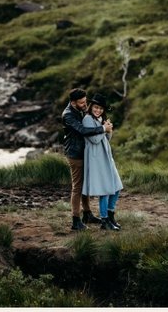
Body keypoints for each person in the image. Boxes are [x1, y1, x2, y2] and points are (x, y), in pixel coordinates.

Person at [61, 88, 112, 231]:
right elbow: (83, 131)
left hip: (84, 153)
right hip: (75, 154)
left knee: (85, 185)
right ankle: (75, 221)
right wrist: (103, 128)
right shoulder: (68, 115)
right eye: (82, 102)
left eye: (85, 101)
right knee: (77, 187)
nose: (85, 104)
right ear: (73, 102)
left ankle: (87, 214)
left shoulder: (80, 110)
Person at [81, 94, 124, 231]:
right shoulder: (87, 119)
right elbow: (93, 140)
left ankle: (111, 216)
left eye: (101, 108)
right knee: (105, 190)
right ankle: (104, 221)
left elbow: (106, 139)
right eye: (96, 107)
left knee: (116, 187)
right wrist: (104, 129)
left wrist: (109, 130)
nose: (98, 110)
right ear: (91, 106)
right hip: (96, 159)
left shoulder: (101, 119)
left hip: (106, 157)